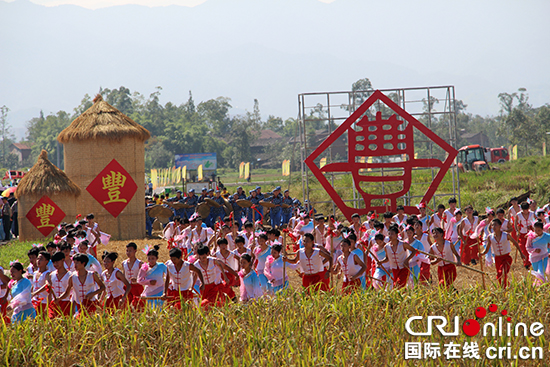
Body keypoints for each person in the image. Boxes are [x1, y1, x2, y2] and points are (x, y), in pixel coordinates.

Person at [481, 218, 523, 287]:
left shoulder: (506, 235)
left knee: (502, 272)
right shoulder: (490, 237)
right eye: (492, 225)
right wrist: (481, 254)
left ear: (500, 226)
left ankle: (504, 287)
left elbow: (515, 243)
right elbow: (487, 249)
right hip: (497, 259)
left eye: (496, 225)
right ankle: (504, 286)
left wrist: (521, 254)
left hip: (506, 258)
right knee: (499, 274)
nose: (494, 227)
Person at [194, 244, 238, 309]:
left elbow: (222, 266)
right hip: (204, 288)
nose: (202, 260)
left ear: (207, 254)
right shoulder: (196, 264)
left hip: (214, 286)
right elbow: (195, 275)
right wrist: (192, 286)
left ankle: (230, 305)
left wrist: (226, 276)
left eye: (204, 257)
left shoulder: (213, 260)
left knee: (209, 302)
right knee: (207, 305)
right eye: (200, 258)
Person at [45, 251, 73, 318]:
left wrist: (59, 299)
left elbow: (68, 292)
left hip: (65, 303)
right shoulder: (52, 275)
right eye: (54, 262)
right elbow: (50, 293)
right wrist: (47, 305)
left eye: (57, 261)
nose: (55, 264)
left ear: (63, 260)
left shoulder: (70, 275)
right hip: (54, 303)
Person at [122, 242, 144, 309]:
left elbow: (144, 277)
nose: (128, 253)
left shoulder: (140, 263)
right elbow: (123, 275)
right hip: (127, 287)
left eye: (130, 251)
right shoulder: (124, 263)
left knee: (138, 306)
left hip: (137, 287)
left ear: (135, 251)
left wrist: (137, 279)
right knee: (126, 306)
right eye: (127, 251)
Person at [30, 251, 51, 318]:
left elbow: (47, 285)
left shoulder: (47, 273)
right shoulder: (35, 273)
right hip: (34, 301)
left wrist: (35, 293)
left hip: (43, 302)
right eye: (38, 259)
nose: (38, 261)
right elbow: (33, 285)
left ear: (46, 261)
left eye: (41, 259)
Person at [515, 201, 534, 269]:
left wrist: (532, 227)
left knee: (530, 248)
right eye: (524, 210)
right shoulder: (518, 215)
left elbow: (535, 222)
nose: (525, 211)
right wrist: (517, 231)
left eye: (526, 210)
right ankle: (526, 263)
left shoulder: (532, 214)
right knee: (523, 249)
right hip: (522, 233)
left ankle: (531, 262)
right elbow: (515, 224)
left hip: (530, 234)